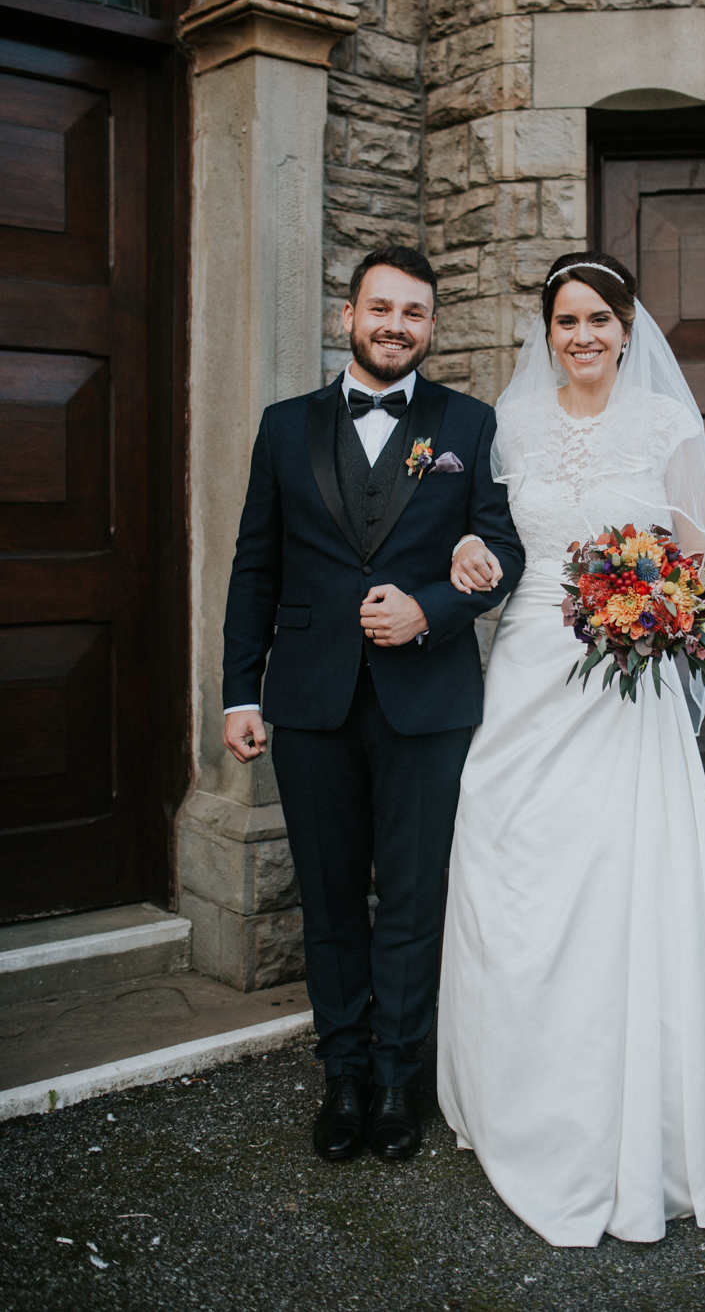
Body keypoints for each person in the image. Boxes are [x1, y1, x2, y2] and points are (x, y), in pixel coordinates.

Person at [438, 250, 705, 1246]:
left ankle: (644, 1110)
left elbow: (696, 563)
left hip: (624, 690)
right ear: (546, 333)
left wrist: (647, 611)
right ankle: (517, 1092)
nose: (581, 336)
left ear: (628, 328)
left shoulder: (666, 424)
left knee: (624, 877)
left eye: (598, 318)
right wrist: (465, 554)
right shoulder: (511, 426)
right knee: (515, 864)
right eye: (565, 321)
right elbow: (493, 545)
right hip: (531, 677)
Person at [222, 246, 524, 1164]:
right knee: (328, 899)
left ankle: (399, 1076)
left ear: (432, 327)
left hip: (426, 703)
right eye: (382, 308)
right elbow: (256, 566)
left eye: (415, 314)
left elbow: (504, 552)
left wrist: (432, 607)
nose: (397, 325)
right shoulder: (284, 427)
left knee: (413, 898)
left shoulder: (468, 424)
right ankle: (343, 1074)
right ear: (348, 316)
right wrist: (241, 690)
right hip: (309, 701)